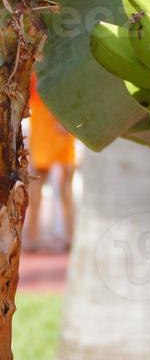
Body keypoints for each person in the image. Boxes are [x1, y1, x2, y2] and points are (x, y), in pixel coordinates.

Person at [25, 72, 76, 251]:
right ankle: (33, 237)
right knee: (37, 182)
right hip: (41, 114)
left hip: (60, 116)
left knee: (65, 186)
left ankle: (71, 237)